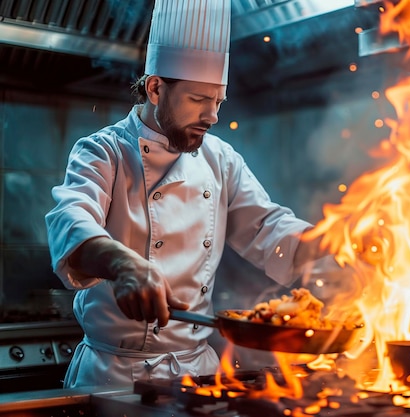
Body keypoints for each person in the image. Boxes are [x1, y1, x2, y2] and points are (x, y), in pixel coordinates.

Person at [45, 0, 322, 388]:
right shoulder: (103, 151)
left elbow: (266, 227)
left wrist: (331, 243)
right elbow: (71, 221)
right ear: (156, 88)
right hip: (112, 376)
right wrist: (124, 265)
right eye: (198, 100)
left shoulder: (220, 158)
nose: (213, 116)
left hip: (198, 373)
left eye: (218, 101)